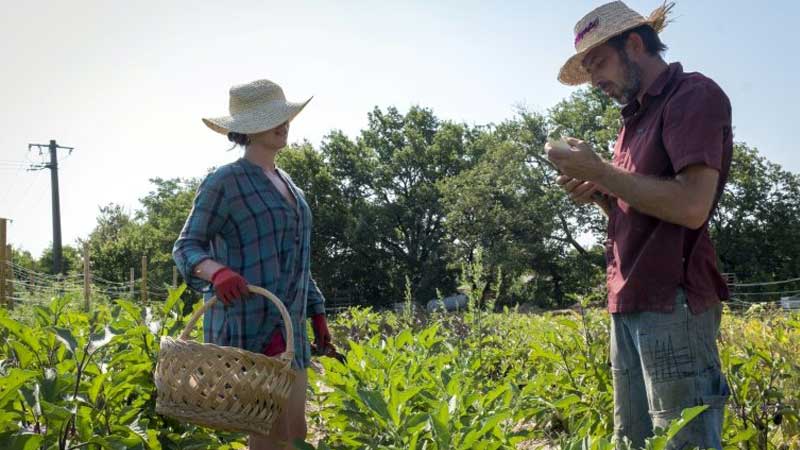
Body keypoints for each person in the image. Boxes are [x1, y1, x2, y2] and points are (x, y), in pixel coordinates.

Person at [546, 2, 732, 448]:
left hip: (674, 302)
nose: (595, 81)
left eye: (599, 63)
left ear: (633, 44)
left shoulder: (692, 96)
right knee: (634, 440)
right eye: (589, 70)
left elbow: (691, 207)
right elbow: (639, 216)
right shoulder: (632, 122)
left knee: (681, 440)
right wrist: (601, 196)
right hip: (628, 300)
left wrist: (603, 173)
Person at [173, 79, 336, 450]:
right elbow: (187, 247)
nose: (283, 124)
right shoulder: (224, 181)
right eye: (271, 119)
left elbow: (299, 261)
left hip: (290, 325)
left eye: (284, 117)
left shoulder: (290, 185)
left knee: (296, 431)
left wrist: (318, 313)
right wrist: (217, 272)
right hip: (250, 324)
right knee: (267, 432)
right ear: (247, 128)